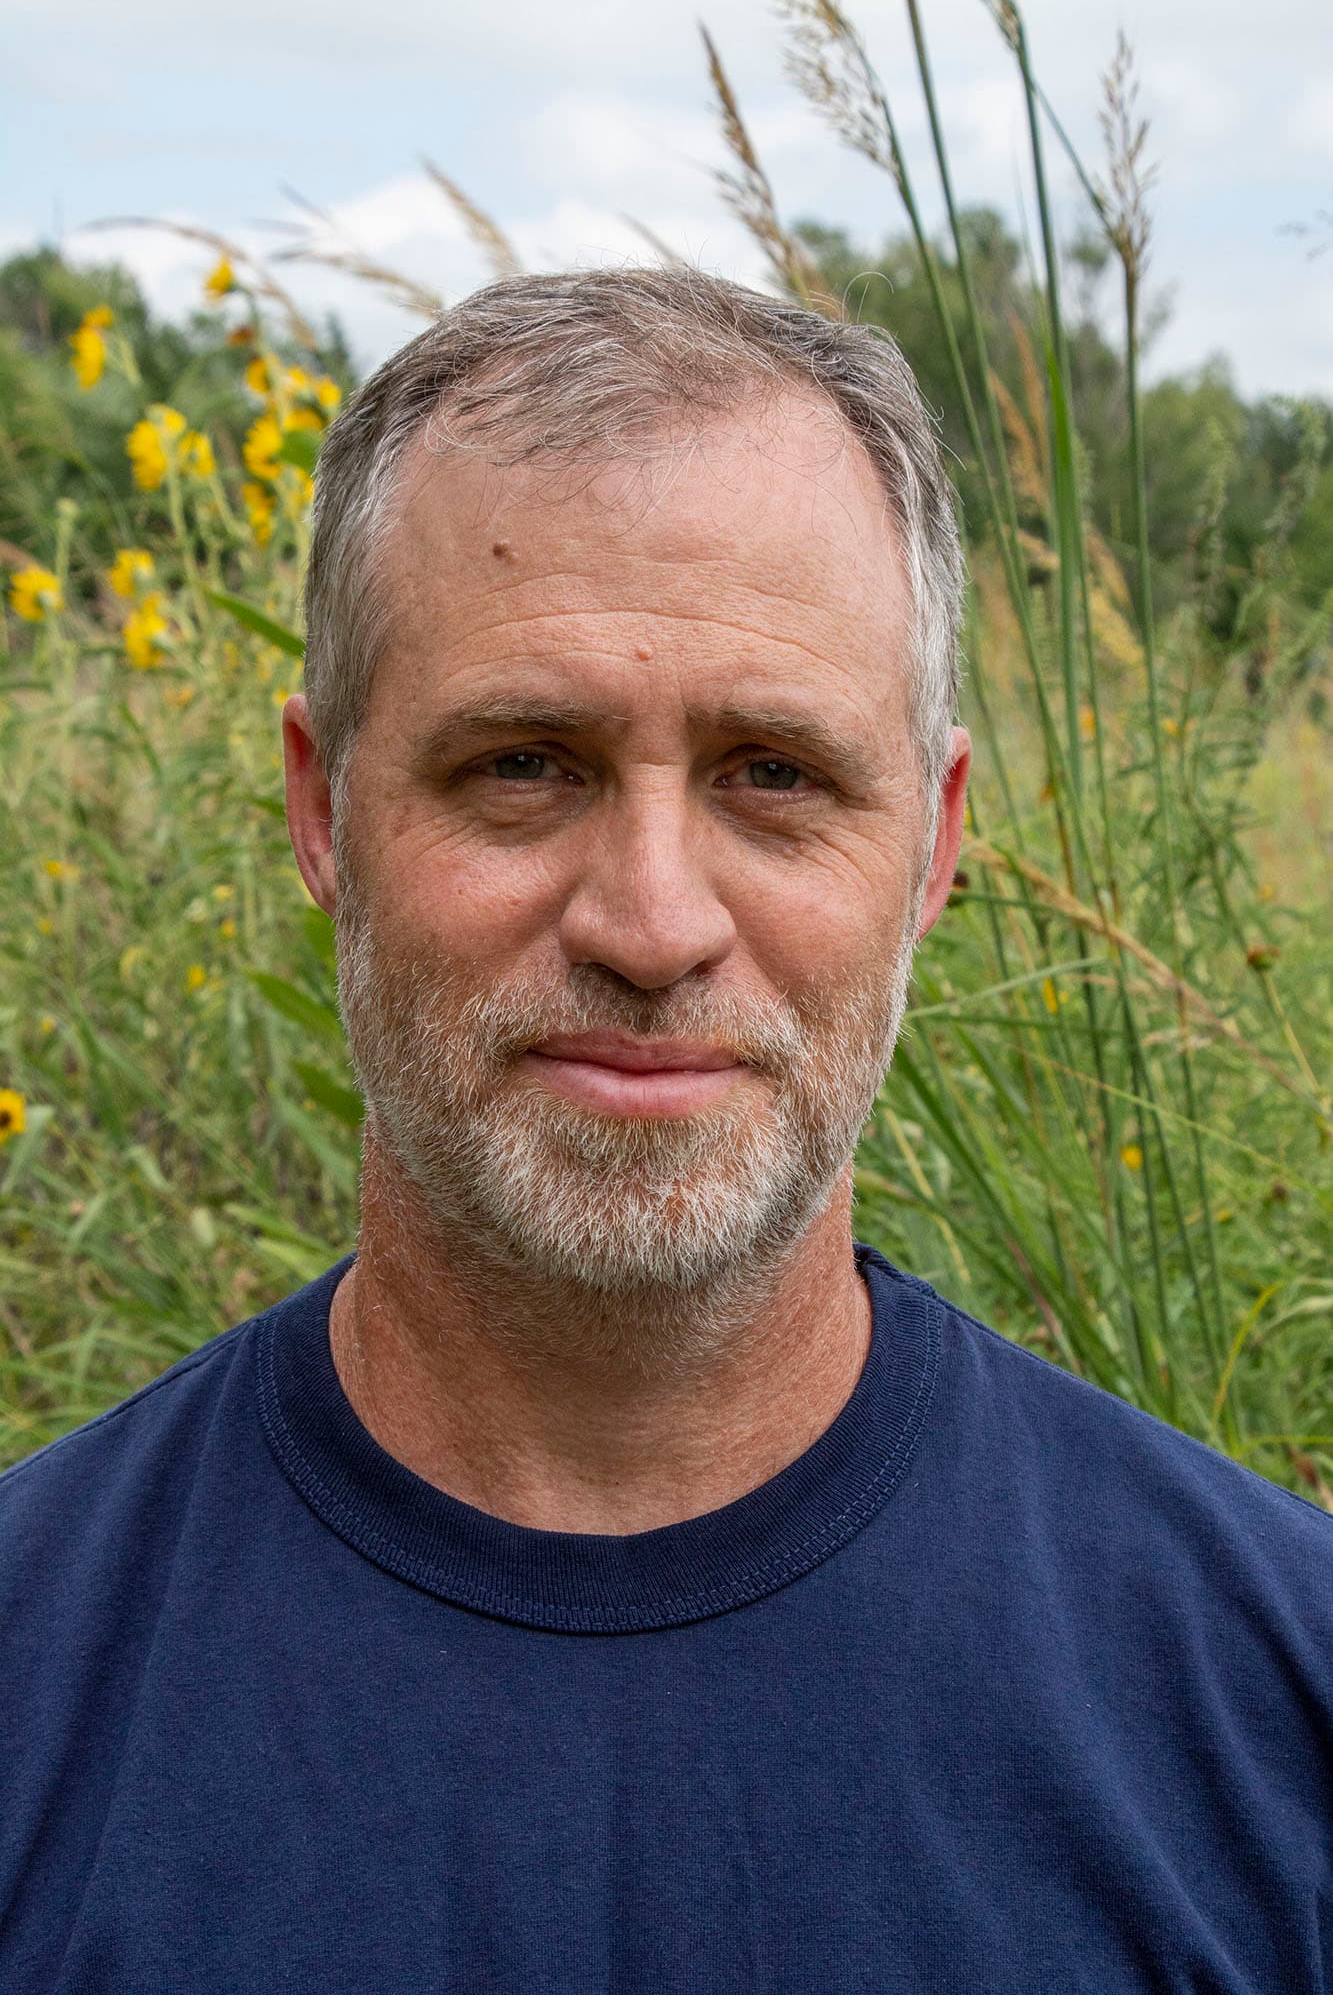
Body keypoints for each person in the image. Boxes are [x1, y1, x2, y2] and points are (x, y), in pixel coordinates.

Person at [1, 268, 1329, 1994]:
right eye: (523, 765)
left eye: (774, 773)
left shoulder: (1279, 1702)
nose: (648, 923)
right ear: (323, 813)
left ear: (929, 851)